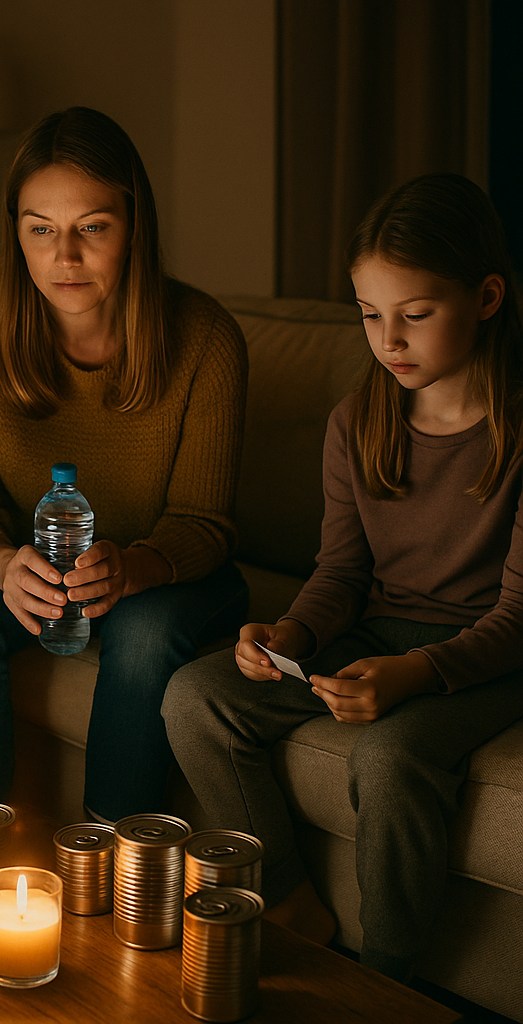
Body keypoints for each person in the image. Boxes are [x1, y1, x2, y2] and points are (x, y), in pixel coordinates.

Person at [161, 173, 523, 981]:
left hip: (488, 654)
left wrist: (416, 674)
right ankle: (288, 901)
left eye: (416, 314)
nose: (388, 340)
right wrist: (293, 633)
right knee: (197, 696)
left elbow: (518, 618)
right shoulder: (358, 420)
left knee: (389, 760)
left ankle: (392, 979)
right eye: (369, 314)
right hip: (377, 628)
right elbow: (341, 570)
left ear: (487, 296)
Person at [0, 106, 249, 823]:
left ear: (134, 226)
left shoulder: (206, 337)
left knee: (145, 628)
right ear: (17, 233)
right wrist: (3, 565)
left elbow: (205, 524)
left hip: (163, 579)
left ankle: (112, 852)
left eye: (93, 227)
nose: (65, 257)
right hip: (38, 574)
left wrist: (136, 566)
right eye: (41, 229)